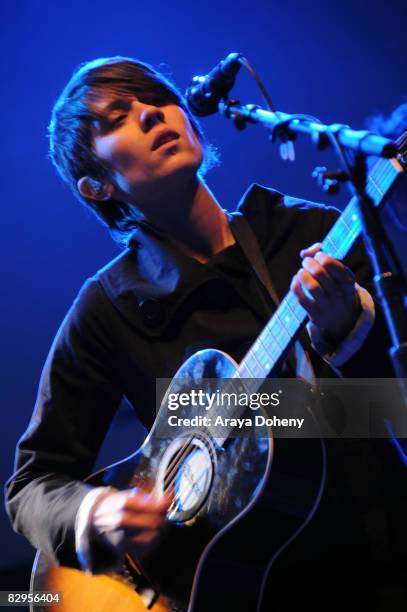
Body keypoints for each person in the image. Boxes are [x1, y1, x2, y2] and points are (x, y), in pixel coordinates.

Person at [4, 56, 406, 610]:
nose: (150, 113)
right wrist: (93, 514)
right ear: (97, 187)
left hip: (377, 570)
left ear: (192, 120)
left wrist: (348, 331)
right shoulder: (108, 307)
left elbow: (398, 409)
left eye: (156, 99)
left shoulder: (311, 234)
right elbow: (32, 484)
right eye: (118, 116)